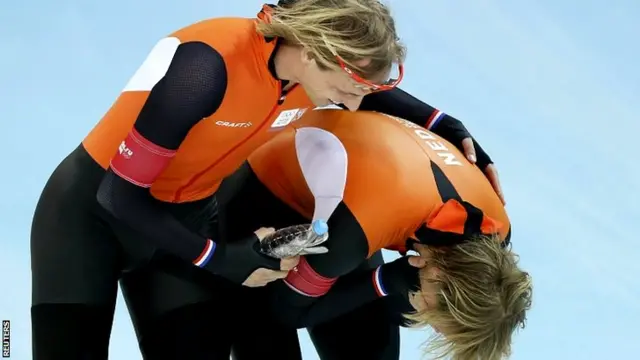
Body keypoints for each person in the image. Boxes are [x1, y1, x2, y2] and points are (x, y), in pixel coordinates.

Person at [30, 1, 503, 359]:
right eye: (350, 89)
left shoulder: (306, 74)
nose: (354, 105)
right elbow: (118, 194)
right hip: (89, 220)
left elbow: (388, 100)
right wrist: (219, 258)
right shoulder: (206, 68)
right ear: (319, 51)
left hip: (185, 224)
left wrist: (454, 129)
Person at [215, 108, 532, 360]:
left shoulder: (496, 235)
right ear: (435, 270)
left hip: (344, 198)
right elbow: (285, 312)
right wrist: (385, 280)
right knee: (266, 322)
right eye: (440, 320)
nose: (435, 328)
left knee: (400, 315)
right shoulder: (368, 222)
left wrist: (390, 284)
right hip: (257, 192)